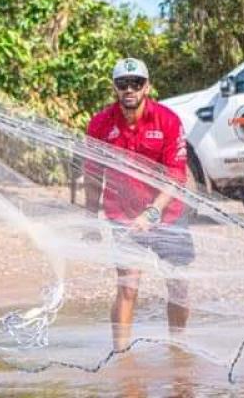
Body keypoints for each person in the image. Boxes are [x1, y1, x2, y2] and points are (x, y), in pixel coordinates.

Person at [84, 57, 194, 352]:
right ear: (115, 88)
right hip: (121, 215)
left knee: (178, 284)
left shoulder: (169, 121)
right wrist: (89, 219)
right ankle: (121, 355)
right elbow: (93, 174)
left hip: (168, 214)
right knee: (127, 286)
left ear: (147, 86)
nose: (129, 89)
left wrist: (153, 212)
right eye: (123, 84)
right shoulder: (100, 124)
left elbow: (175, 175)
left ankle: (178, 350)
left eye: (136, 83)